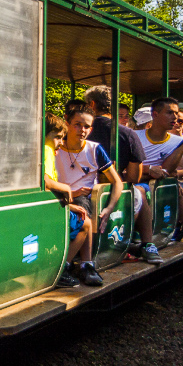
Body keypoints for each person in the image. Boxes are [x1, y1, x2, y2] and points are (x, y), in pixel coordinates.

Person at [81, 85, 159, 265]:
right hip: (112, 191)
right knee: (138, 191)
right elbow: (134, 177)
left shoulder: (79, 130)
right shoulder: (128, 133)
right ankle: (147, 244)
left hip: (82, 190)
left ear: (92, 105)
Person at [55, 102, 124, 287]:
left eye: (86, 126)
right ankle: (84, 264)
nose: (82, 130)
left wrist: (109, 208)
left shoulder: (94, 149)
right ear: (67, 124)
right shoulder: (55, 147)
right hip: (57, 195)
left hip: (83, 200)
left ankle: (72, 265)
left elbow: (116, 181)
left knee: (83, 205)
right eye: (77, 124)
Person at [134, 97, 183, 245]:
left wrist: (150, 171)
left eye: (176, 113)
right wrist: (148, 169)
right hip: (135, 179)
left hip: (157, 181)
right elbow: (128, 166)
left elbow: (166, 171)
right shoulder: (136, 136)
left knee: (173, 187)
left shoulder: (179, 142)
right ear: (155, 115)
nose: (174, 117)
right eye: (169, 113)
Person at [44, 113, 91, 288]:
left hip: (48, 204)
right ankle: (62, 269)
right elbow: (46, 181)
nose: (60, 142)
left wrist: (69, 205)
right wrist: (67, 188)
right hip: (47, 209)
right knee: (85, 224)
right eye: (56, 137)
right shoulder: (47, 151)